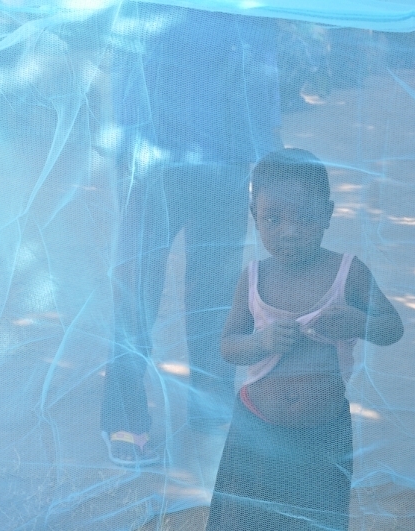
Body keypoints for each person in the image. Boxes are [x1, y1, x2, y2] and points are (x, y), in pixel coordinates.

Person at [100, 5, 282, 466]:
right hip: (153, 150)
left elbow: (261, 52)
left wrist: (267, 147)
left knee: (216, 289)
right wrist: (125, 137)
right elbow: (130, 44)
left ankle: (210, 403)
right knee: (137, 285)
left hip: (225, 150)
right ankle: (124, 410)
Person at [206, 148, 404, 530]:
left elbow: (392, 327)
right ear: (255, 216)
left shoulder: (348, 273)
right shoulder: (254, 277)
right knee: (247, 518)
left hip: (323, 434)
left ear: (327, 214)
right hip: (257, 429)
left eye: (305, 218)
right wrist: (262, 343)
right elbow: (228, 345)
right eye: (273, 219)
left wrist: (359, 322)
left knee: (316, 518)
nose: (290, 231)